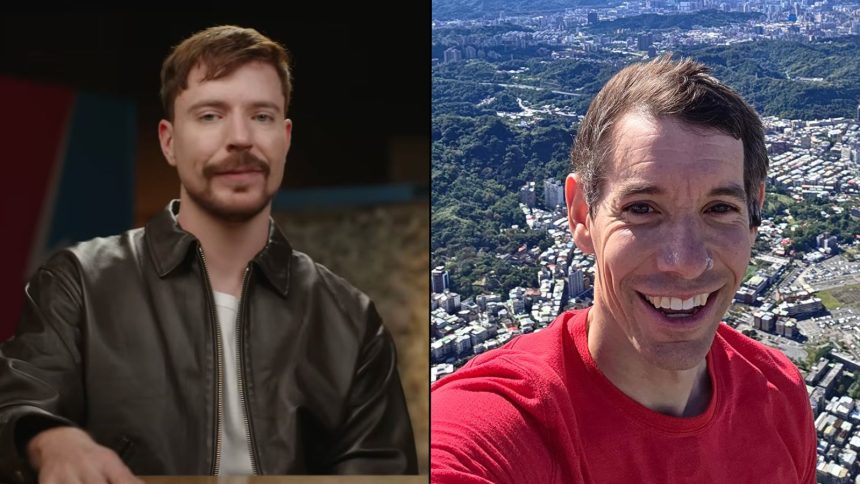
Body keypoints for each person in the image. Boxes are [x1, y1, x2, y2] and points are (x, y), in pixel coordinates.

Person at [0, 25, 417, 482]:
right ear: (169, 141)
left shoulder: (351, 319)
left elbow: (381, 470)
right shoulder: (78, 281)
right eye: (210, 115)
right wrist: (50, 439)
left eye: (261, 116)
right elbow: (20, 399)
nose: (240, 137)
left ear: (286, 137)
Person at [431, 54, 816, 483]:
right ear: (580, 215)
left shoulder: (779, 393)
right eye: (642, 209)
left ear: (754, 214)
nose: (686, 262)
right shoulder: (503, 425)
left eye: (720, 208)